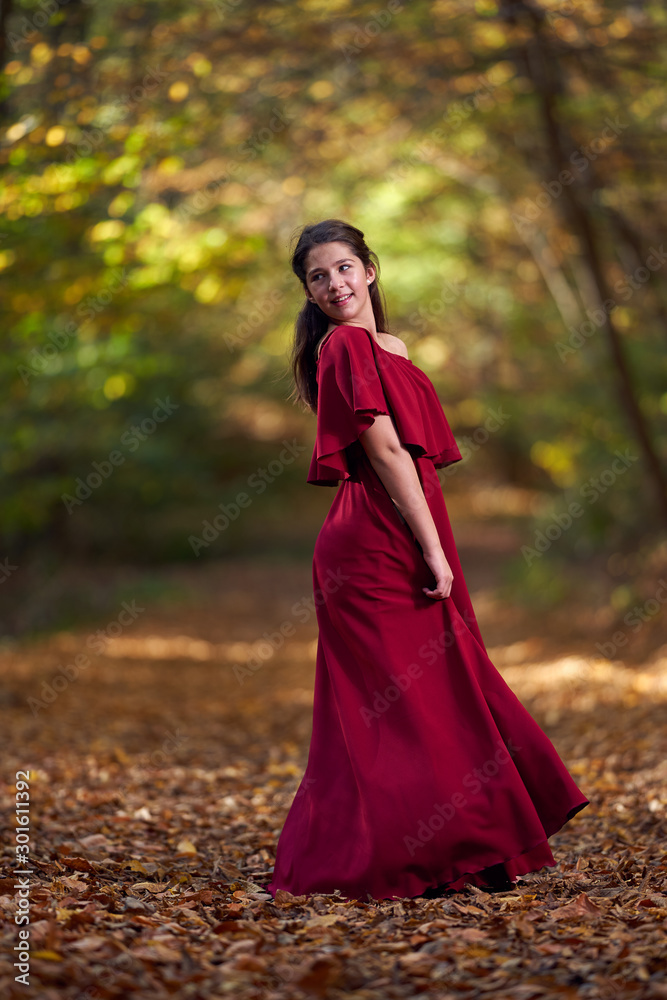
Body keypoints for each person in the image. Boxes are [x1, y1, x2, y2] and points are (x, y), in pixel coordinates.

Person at [267, 219, 588, 902]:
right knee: (406, 706)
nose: (334, 284)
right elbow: (385, 453)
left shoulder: (390, 345)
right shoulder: (344, 346)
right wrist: (433, 549)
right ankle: (424, 856)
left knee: (439, 693)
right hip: (373, 544)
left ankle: (467, 848)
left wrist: (432, 540)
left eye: (344, 268)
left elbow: (410, 451)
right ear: (307, 290)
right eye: (317, 276)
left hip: (400, 530)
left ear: (370, 270)